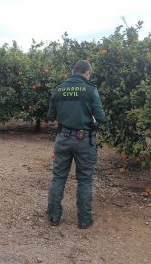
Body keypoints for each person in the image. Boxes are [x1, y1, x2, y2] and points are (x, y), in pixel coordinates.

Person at [46, 59, 105, 229]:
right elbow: (100, 117)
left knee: (58, 177)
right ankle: (84, 220)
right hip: (84, 140)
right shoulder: (91, 90)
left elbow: (51, 114)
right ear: (88, 73)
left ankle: (53, 216)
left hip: (63, 138)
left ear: (72, 72)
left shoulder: (58, 89)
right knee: (85, 180)